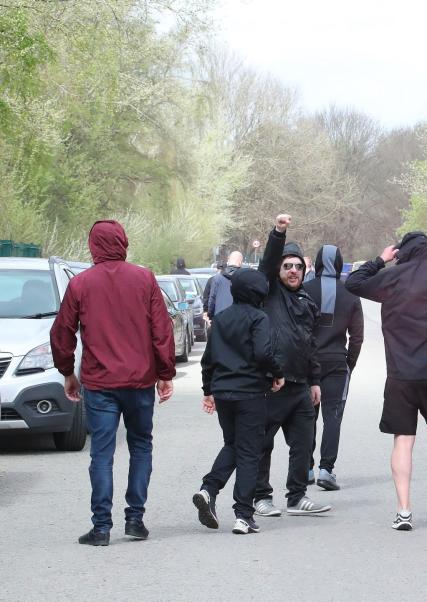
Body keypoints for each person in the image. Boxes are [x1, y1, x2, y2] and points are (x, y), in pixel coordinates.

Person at [346, 177, 427, 530]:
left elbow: (352, 283)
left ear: (402, 254)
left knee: (403, 441)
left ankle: (404, 511)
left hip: (400, 378)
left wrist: (380, 260)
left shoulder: (390, 282)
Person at [50, 220, 175, 546]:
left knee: (102, 455)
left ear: (93, 246)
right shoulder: (144, 279)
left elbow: (62, 332)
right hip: (139, 382)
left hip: (100, 383)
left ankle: (101, 527)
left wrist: (68, 373)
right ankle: (135, 519)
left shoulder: (80, 284)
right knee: (141, 446)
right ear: (123, 243)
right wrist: (165, 374)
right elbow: (161, 330)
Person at [193, 269, 286, 535]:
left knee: (232, 444)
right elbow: (263, 353)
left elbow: (208, 359)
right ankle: (243, 515)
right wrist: (277, 374)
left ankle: (208, 490)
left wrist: (208, 389)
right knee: (249, 451)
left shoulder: (220, 319)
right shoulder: (259, 318)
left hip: (223, 392)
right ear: (259, 292)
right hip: (250, 393)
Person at [253, 214, 331, 518]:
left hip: (300, 386)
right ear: (278, 270)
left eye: (298, 266)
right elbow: (268, 260)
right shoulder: (269, 291)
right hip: (273, 384)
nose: (294, 270)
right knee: (264, 444)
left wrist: (315, 381)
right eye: (288, 266)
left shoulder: (305, 302)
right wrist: (278, 233)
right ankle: (261, 496)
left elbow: (310, 344)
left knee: (303, 443)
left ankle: (297, 496)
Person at [302, 244, 364, 491]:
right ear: (339, 264)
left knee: (307, 417)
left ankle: (305, 468)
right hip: (337, 363)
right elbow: (357, 337)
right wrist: (349, 363)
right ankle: (326, 470)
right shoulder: (350, 294)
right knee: (333, 417)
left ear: (317, 263)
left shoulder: (305, 291)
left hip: (308, 364)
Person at [207, 252, 244, 318]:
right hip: (239, 319)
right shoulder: (245, 278)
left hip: (220, 318)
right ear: (240, 262)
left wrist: (210, 315)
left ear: (228, 261)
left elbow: (212, 299)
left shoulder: (217, 278)